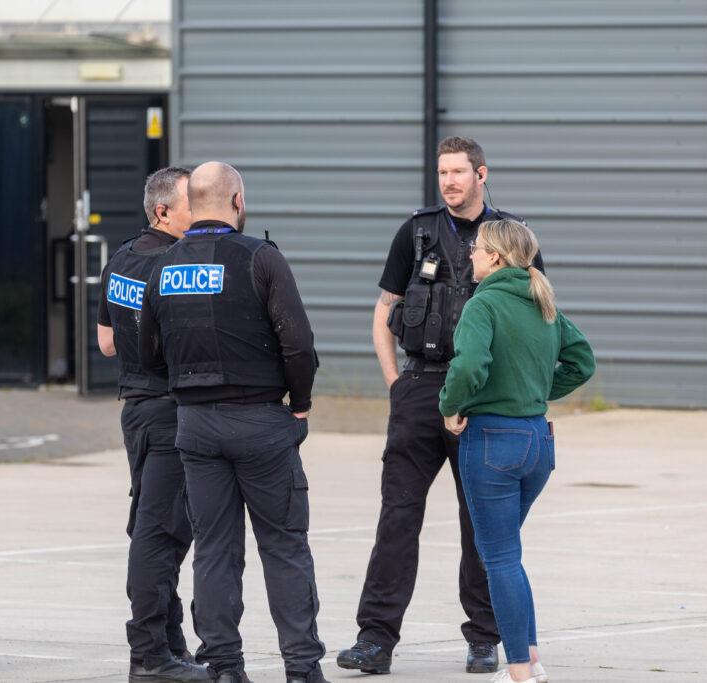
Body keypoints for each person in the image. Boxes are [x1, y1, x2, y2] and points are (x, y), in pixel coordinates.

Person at [338, 137, 545, 676]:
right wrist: (394, 384)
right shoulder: (416, 232)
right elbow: (384, 312)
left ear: (482, 174)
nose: (448, 181)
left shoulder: (513, 236)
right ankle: (375, 639)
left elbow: (538, 319)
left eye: (458, 172)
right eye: (442, 173)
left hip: (484, 399)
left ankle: (484, 638)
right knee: (398, 518)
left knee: (481, 523)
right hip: (420, 387)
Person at [138, 161, 328, 683]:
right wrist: (301, 403)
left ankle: (223, 666)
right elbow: (299, 344)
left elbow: (148, 352)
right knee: (284, 545)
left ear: (193, 205)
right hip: (262, 421)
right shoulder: (261, 257)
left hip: (194, 426)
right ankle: (302, 669)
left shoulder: (164, 266)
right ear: (237, 201)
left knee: (215, 550)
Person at [440, 219, 595, 683]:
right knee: (508, 553)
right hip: (536, 441)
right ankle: (531, 654)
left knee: (500, 558)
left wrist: (451, 406)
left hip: (491, 441)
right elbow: (582, 361)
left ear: (496, 258)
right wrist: (535, 388)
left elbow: (468, 365)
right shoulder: (540, 300)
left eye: (477, 247)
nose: (470, 253)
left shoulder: (483, 303)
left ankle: (519, 672)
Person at [96, 166, 209, 683]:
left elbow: (106, 342)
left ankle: (170, 642)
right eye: (193, 204)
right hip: (169, 410)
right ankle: (149, 654)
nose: (203, 213)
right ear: (164, 211)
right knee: (160, 536)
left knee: (154, 528)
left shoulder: (120, 258)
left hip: (136, 410)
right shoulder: (177, 262)